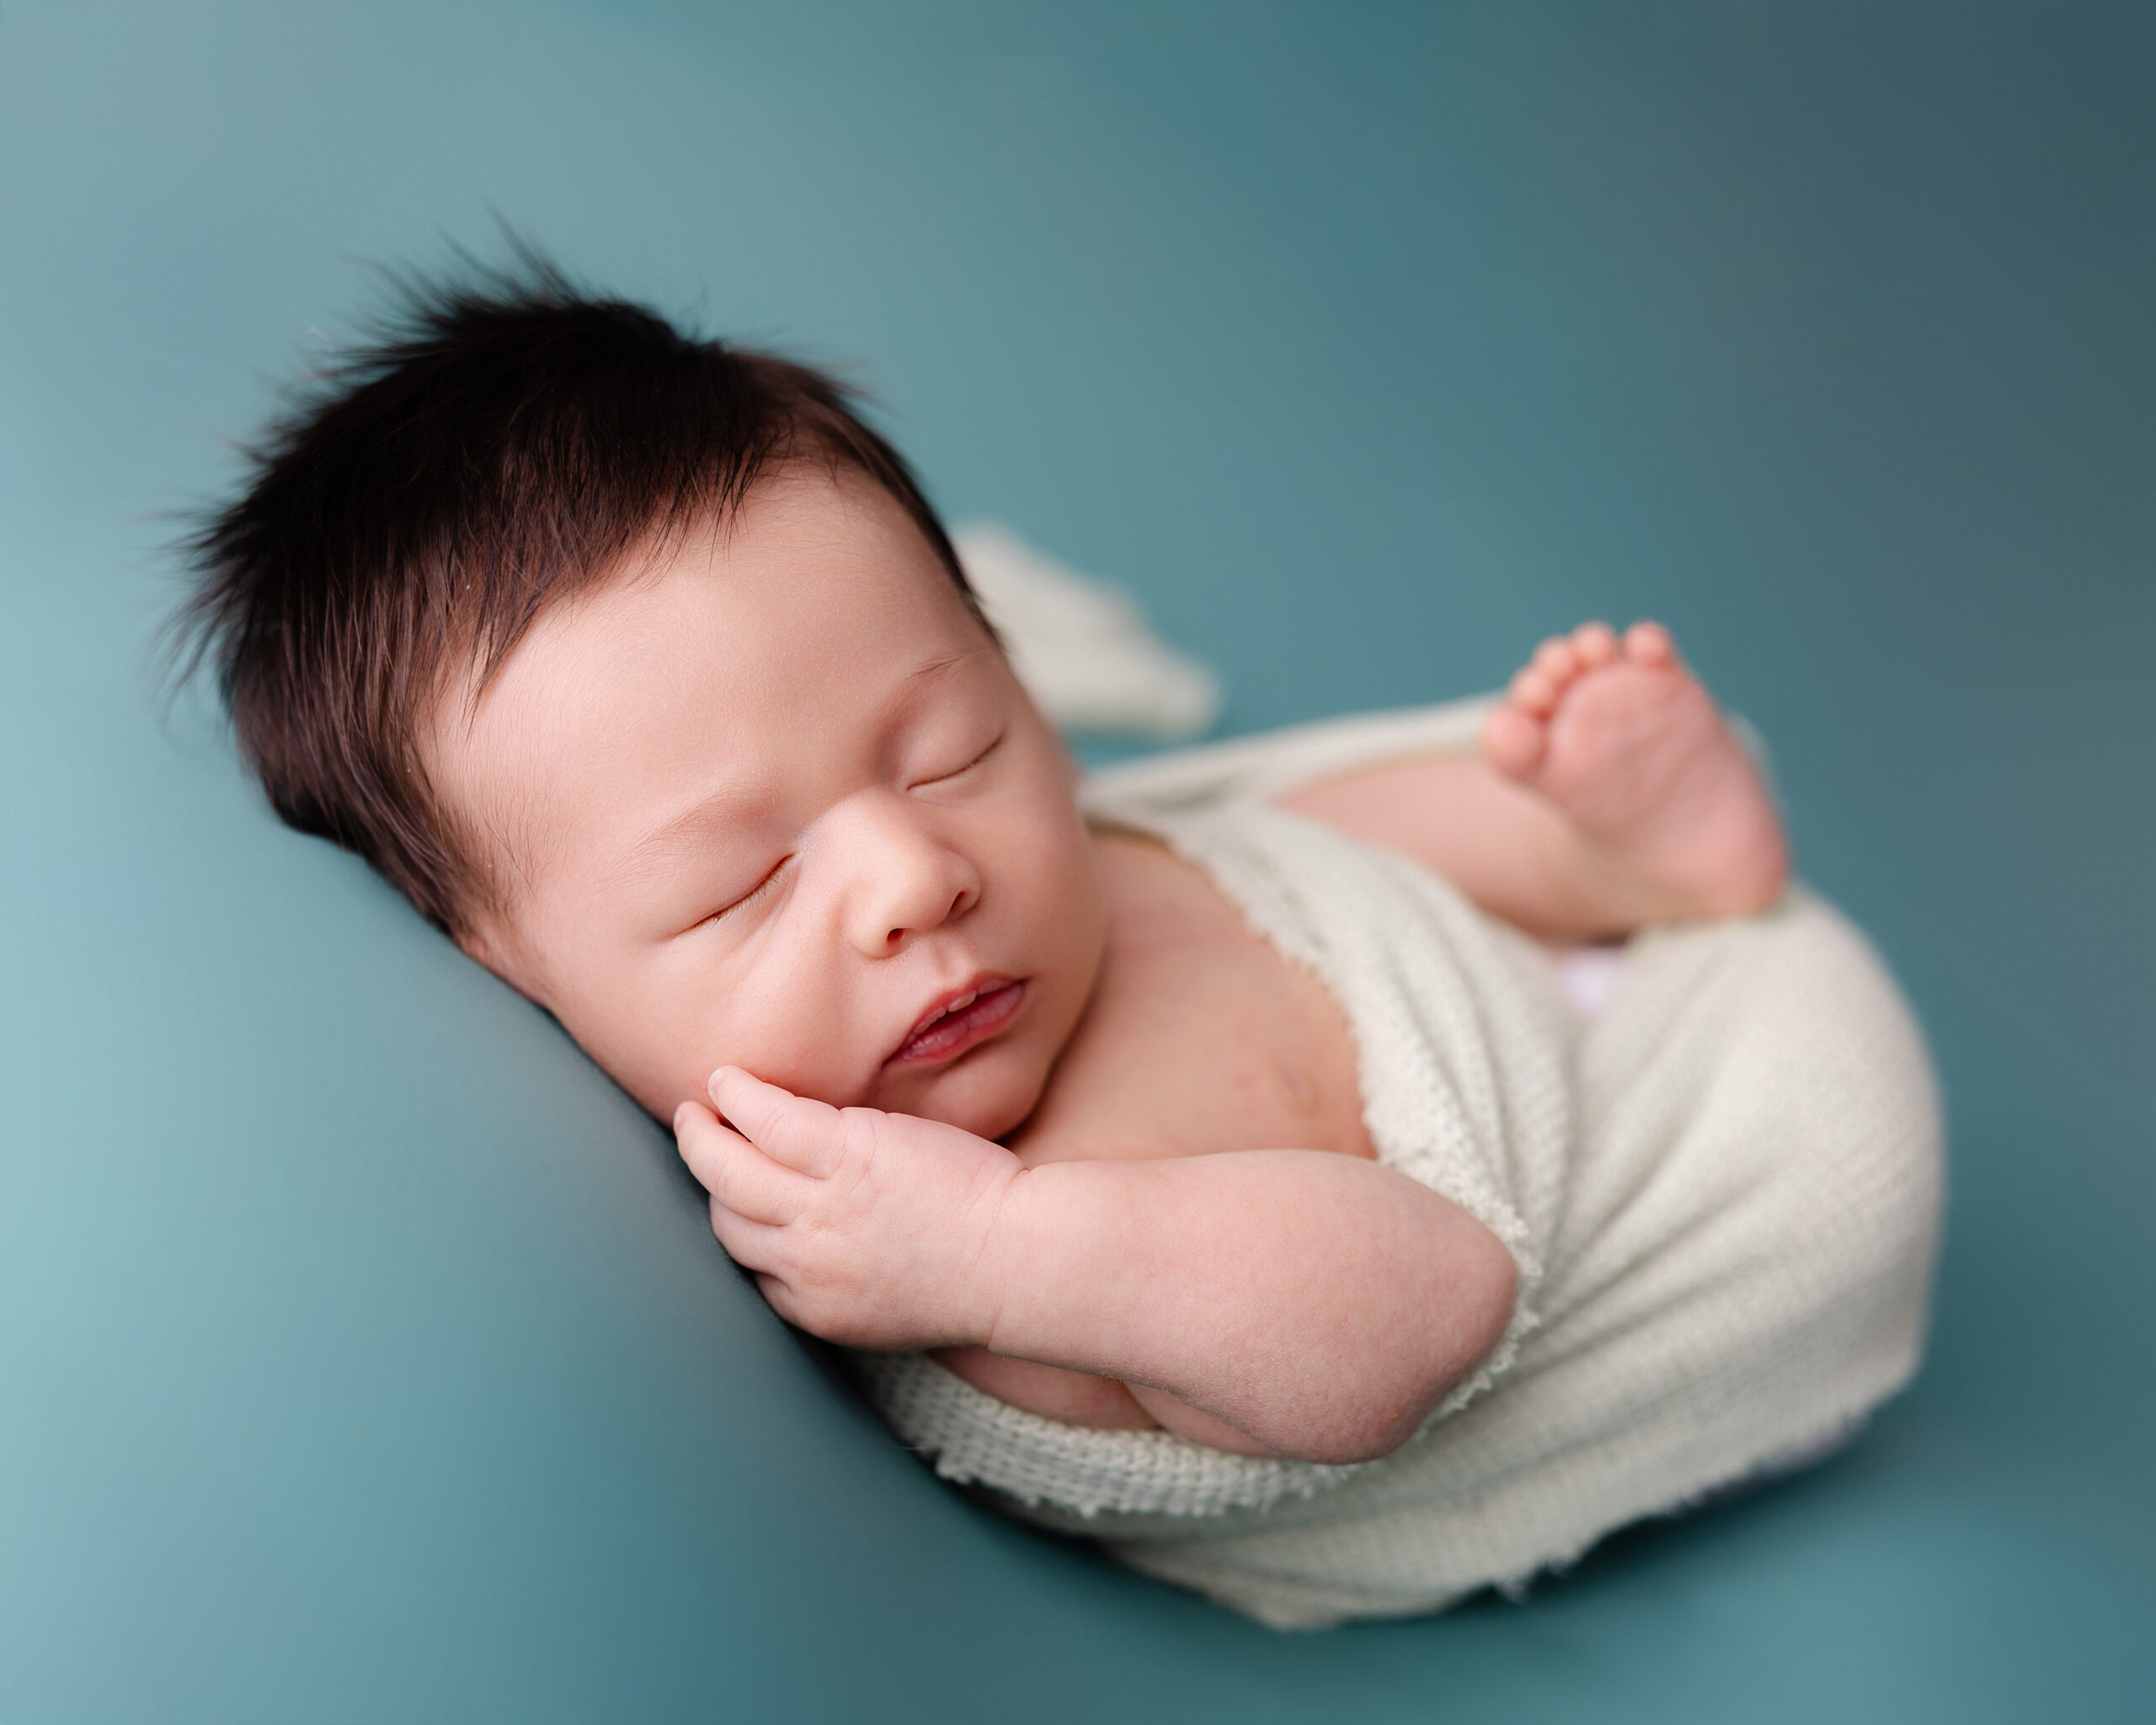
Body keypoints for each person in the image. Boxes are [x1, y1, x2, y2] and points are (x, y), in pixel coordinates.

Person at [180, 264, 1940, 1626]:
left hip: (1371, 961)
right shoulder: (994, 1278)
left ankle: (1602, 853)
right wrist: (1015, 1251)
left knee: (1228, 839)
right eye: (741, 883)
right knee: (1202, 860)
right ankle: (1618, 891)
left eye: (949, 741)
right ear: (513, 975)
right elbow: (1424, 1310)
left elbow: (938, 736)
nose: (908, 873)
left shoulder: (993, 861)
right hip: (1662, 1160)